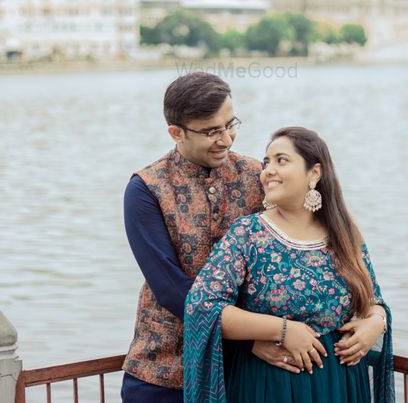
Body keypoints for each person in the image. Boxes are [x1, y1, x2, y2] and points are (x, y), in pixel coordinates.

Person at [183, 126, 394, 403]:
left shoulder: (345, 235)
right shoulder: (248, 234)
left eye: (281, 160)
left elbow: (373, 301)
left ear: (314, 173)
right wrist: (282, 330)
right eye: (266, 162)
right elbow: (202, 306)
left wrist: (376, 323)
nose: (268, 170)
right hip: (269, 386)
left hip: (340, 385)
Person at [123, 72, 295, 402]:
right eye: (211, 131)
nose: (227, 139)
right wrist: (257, 338)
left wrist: (372, 314)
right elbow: (173, 290)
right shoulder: (145, 189)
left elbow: (303, 242)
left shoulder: (257, 176)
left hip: (246, 372)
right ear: (176, 133)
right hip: (166, 373)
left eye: (231, 124)